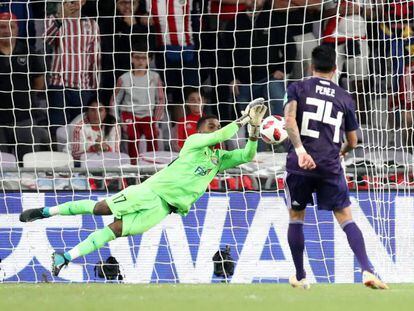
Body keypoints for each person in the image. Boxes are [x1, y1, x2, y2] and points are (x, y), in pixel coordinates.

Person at [19, 98, 267, 277]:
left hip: (163, 208)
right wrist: (243, 119)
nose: (214, 129)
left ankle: (64, 258)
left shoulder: (218, 159)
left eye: (216, 125)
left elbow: (247, 154)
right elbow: (219, 136)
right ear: (200, 130)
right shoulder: (194, 142)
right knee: (100, 209)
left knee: (115, 230)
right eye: (210, 126)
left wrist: (254, 128)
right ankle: (45, 212)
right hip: (150, 191)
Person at [283, 45, 388, 290]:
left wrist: (300, 151)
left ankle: (300, 275)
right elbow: (353, 140)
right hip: (330, 166)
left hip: (300, 166)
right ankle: (367, 269)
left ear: (311, 67)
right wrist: (340, 152)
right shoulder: (344, 97)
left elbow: (289, 120)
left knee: (296, 218)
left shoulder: (297, 87)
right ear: (335, 68)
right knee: (346, 219)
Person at [45, 0, 100, 136]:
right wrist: (61, 18)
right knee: (58, 130)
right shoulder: (52, 19)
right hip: (59, 85)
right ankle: (58, 157)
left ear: (83, 2)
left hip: (83, 87)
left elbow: (95, 58)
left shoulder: (92, 24)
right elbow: (47, 40)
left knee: (80, 132)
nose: (73, 3)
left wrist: (94, 88)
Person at [0, 12, 50, 163]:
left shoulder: (28, 51)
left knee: (28, 161)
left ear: (17, 29)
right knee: (2, 164)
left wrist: (22, 98)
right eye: (2, 27)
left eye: (11, 27)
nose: (7, 30)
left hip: (24, 118)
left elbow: (39, 83)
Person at [113, 44, 165, 162]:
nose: (140, 61)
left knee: (152, 136)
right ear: (132, 59)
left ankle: (151, 166)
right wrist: (118, 120)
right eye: (137, 57)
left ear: (149, 60)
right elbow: (114, 100)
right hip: (129, 114)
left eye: (144, 58)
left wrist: (156, 120)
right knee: (132, 136)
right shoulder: (124, 78)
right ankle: (133, 167)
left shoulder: (155, 77)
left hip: (148, 115)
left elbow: (161, 99)